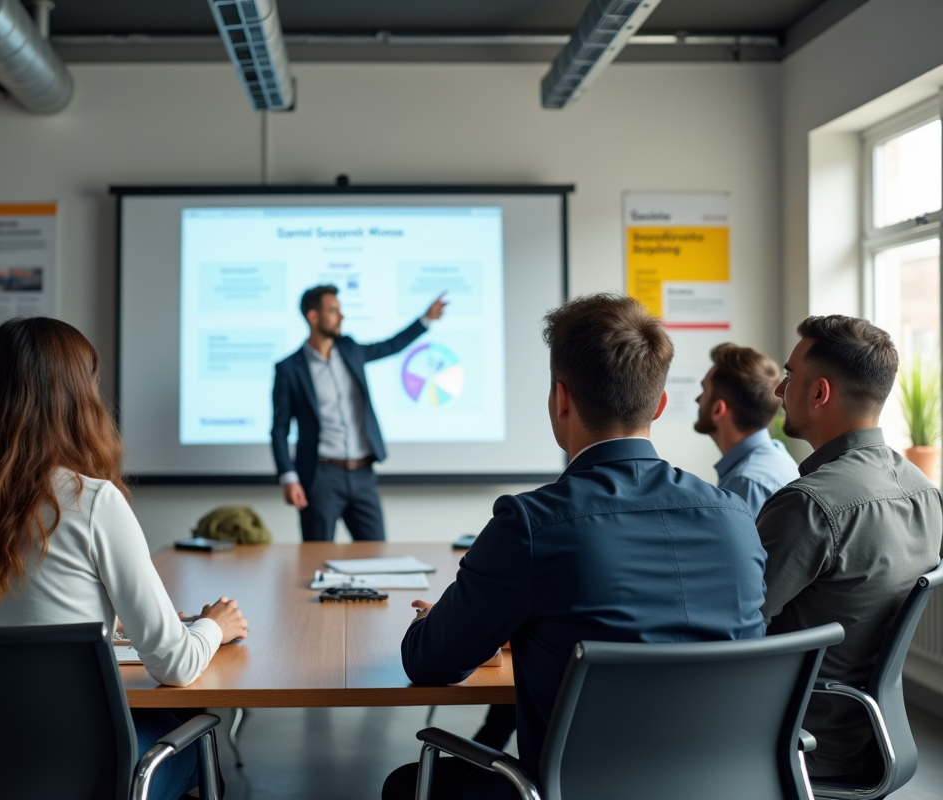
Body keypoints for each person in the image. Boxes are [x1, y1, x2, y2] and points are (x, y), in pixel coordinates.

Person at [381, 294, 767, 800]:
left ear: (560, 400)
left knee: (405, 784)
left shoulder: (530, 524)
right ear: (659, 404)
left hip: (575, 790)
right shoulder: (736, 518)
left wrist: (443, 623)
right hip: (725, 786)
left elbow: (429, 663)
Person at [0, 317, 247, 800]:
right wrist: (214, 624)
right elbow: (175, 664)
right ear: (76, 400)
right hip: (80, 771)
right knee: (195, 729)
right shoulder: (93, 501)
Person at [761, 315, 943, 784]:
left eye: (789, 376)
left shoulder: (810, 505)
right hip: (868, 733)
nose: (780, 391)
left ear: (820, 393)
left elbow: (736, 626)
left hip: (798, 739)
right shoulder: (924, 489)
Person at [272, 285, 447, 541]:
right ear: (313, 316)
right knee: (316, 558)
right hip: (320, 478)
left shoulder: (350, 350)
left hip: (363, 474)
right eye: (333, 311)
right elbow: (279, 429)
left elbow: (391, 346)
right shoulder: (289, 368)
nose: (341, 316)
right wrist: (289, 477)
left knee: (377, 554)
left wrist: (426, 319)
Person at [694, 342, 800, 518]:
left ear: (718, 409)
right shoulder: (775, 456)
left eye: (704, 391)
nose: (698, 399)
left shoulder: (746, 483)